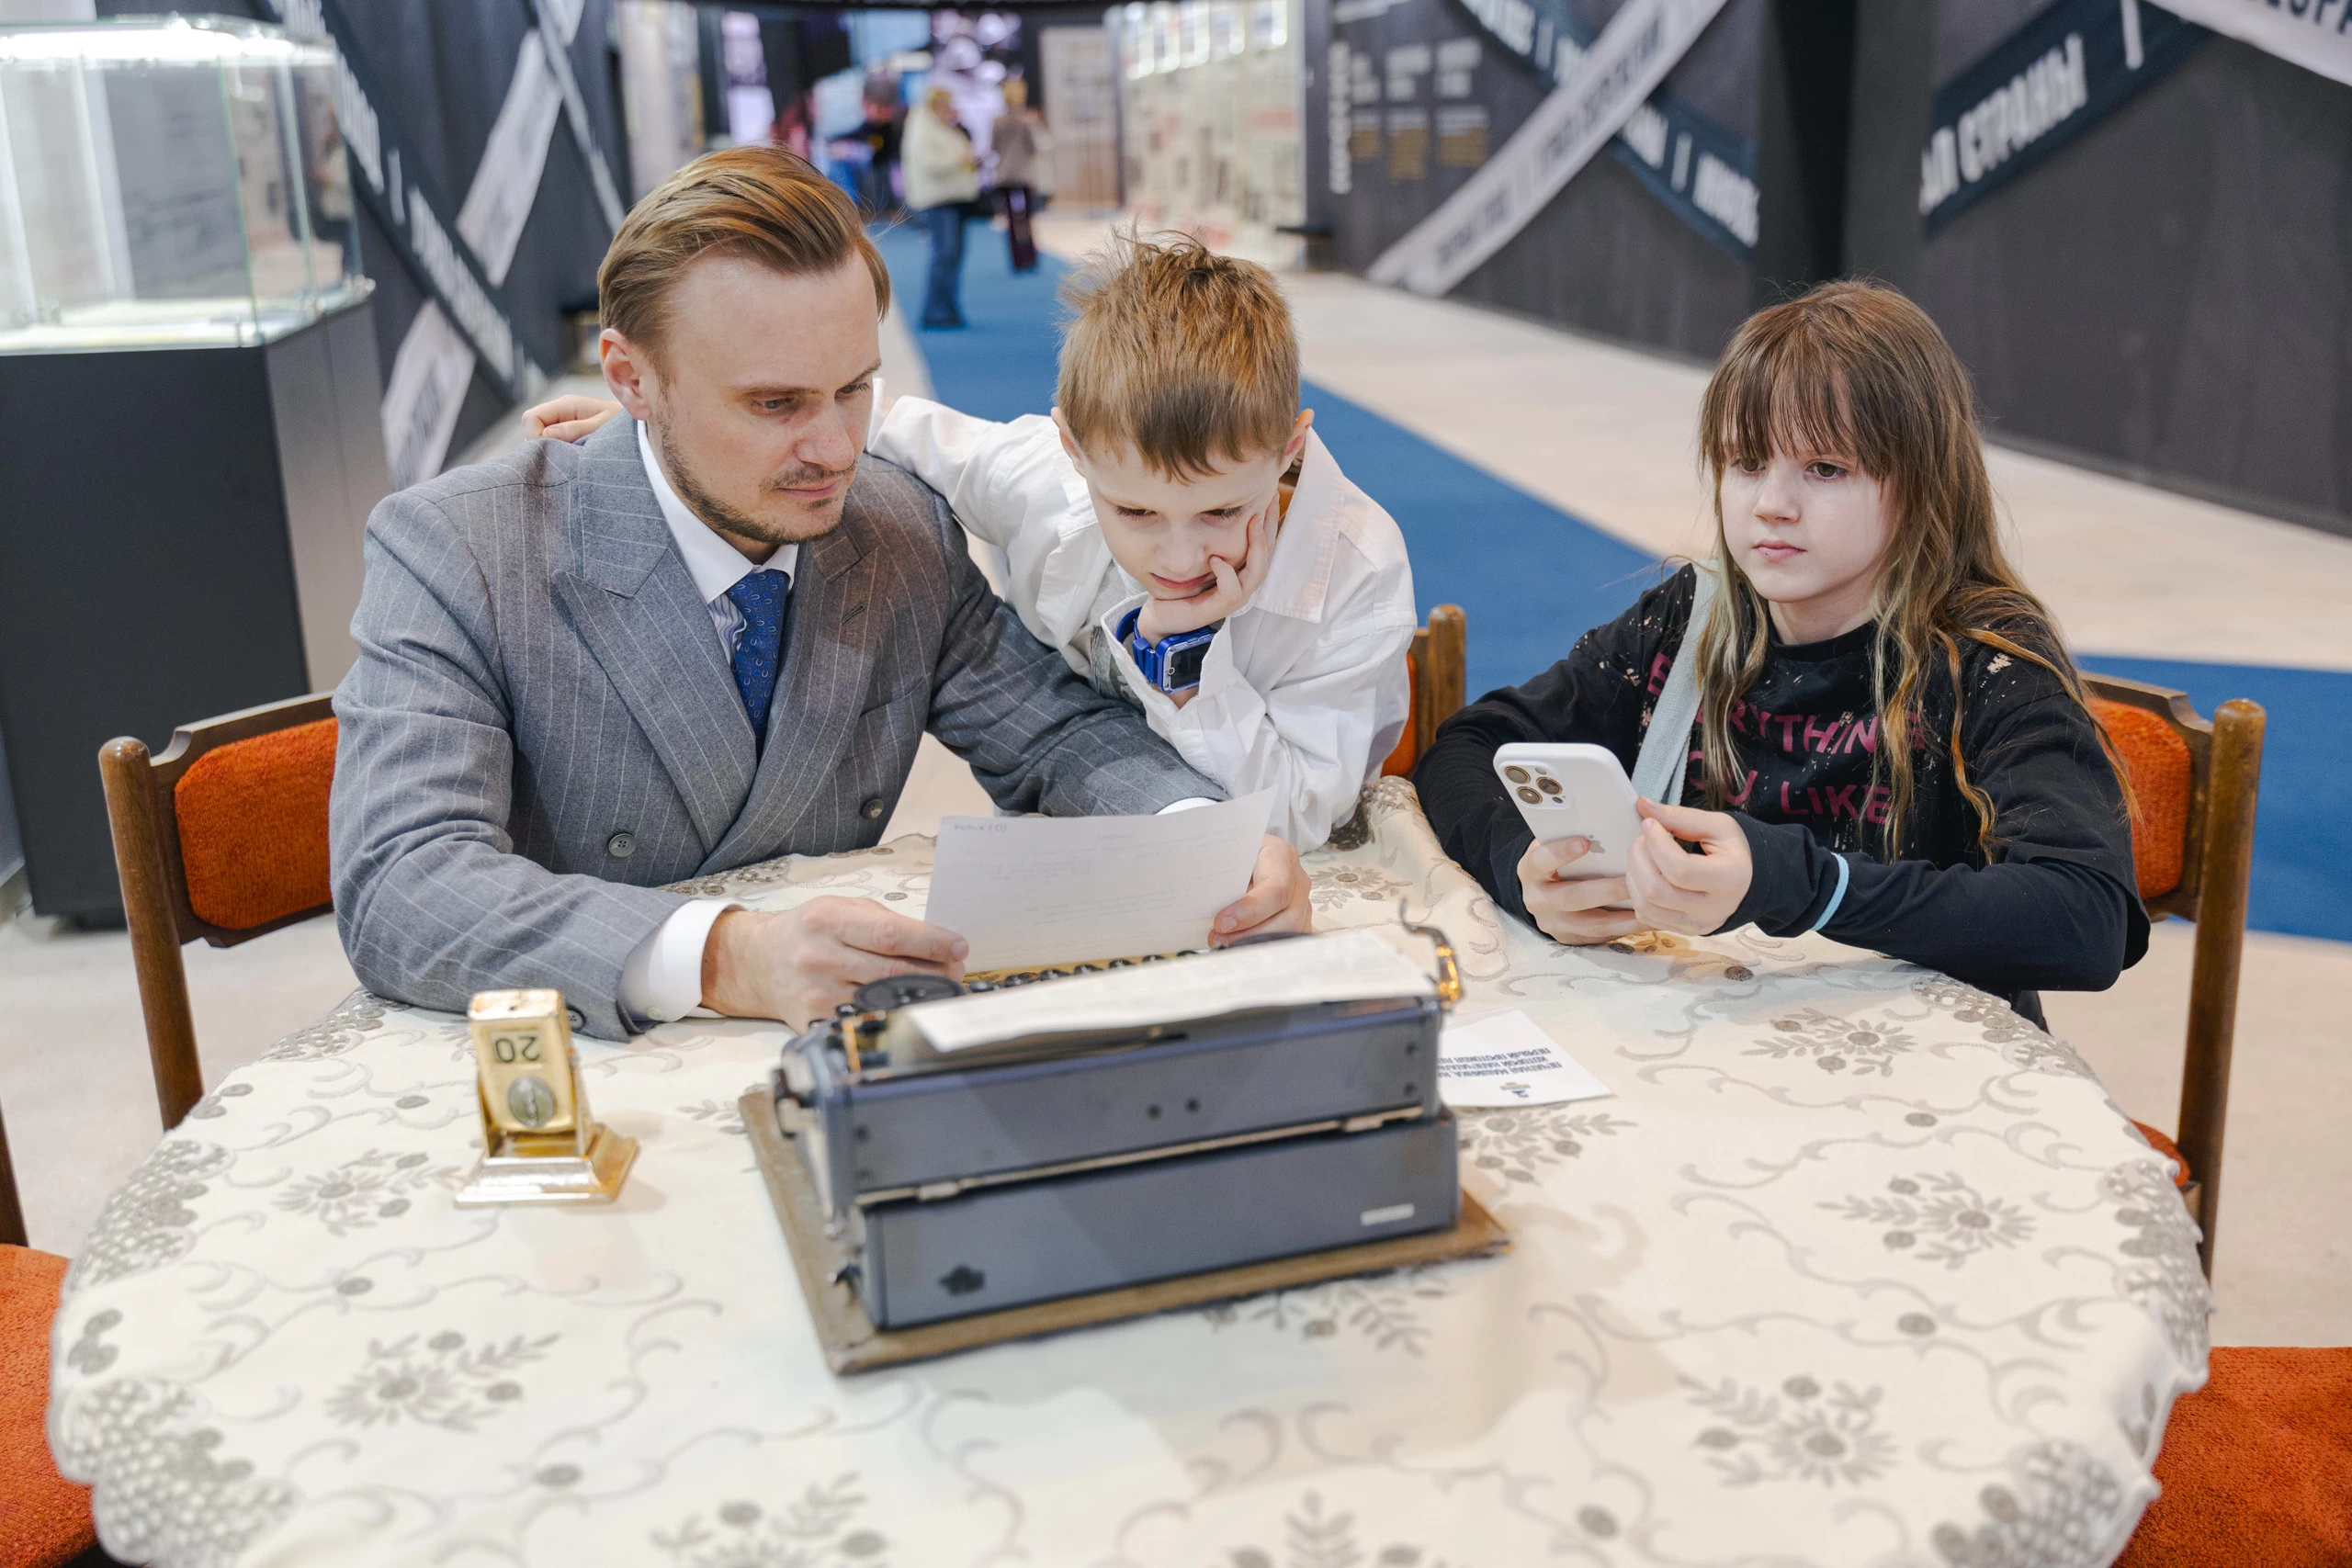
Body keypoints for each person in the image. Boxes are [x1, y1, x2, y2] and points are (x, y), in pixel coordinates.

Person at [331, 148, 1309, 1042]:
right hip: (576, 1054)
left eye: (854, 388)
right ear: (631, 378)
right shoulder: (461, 547)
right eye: (775, 404)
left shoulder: (898, 527)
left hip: (838, 1055)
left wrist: (1197, 836)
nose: (838, 450)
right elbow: (401, 882)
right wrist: (725, 956)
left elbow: (1054, 733)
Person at [521, 234, 1418, 851]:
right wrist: (668, 426)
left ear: (1288, 448)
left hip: (1273, 875)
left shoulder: (1358, 570)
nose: (1179, 559)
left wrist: (1182, 656)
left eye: (1221, 513)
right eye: (1136, 514)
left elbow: (1293, 823)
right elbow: (885, 424)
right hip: (1078, 830)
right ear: (1073, 450)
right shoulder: (1034, 473)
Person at [1414, 280, 2145, 1021]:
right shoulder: (1690, 622)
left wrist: (1801, 884)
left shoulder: (1988, 660)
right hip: (1723, 1042)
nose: (1771, 504)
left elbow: (2088, 919)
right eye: (1746, 462)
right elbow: (1465, 749)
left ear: (1923, 484)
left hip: (1926, 1061)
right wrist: (1523, 868)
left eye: (1825, 469)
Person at [902, 86, 978, 329]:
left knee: (952, 256)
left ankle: (947, 307)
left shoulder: (943, 128)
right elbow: (931, 163)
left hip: (953, 199)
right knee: (944, 255)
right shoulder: (922, 128)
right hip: (937, 201)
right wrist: (961, 159)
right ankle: (935, 310)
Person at [989, 77, 1050, 274]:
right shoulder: (1026, 120)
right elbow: (1036, 147)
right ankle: (1029, 258)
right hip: (1023, 177)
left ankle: (1017, 260)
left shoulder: (998, 121)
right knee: (1025, 219)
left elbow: (994, 147)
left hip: (1005, 177)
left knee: (1012, 220)